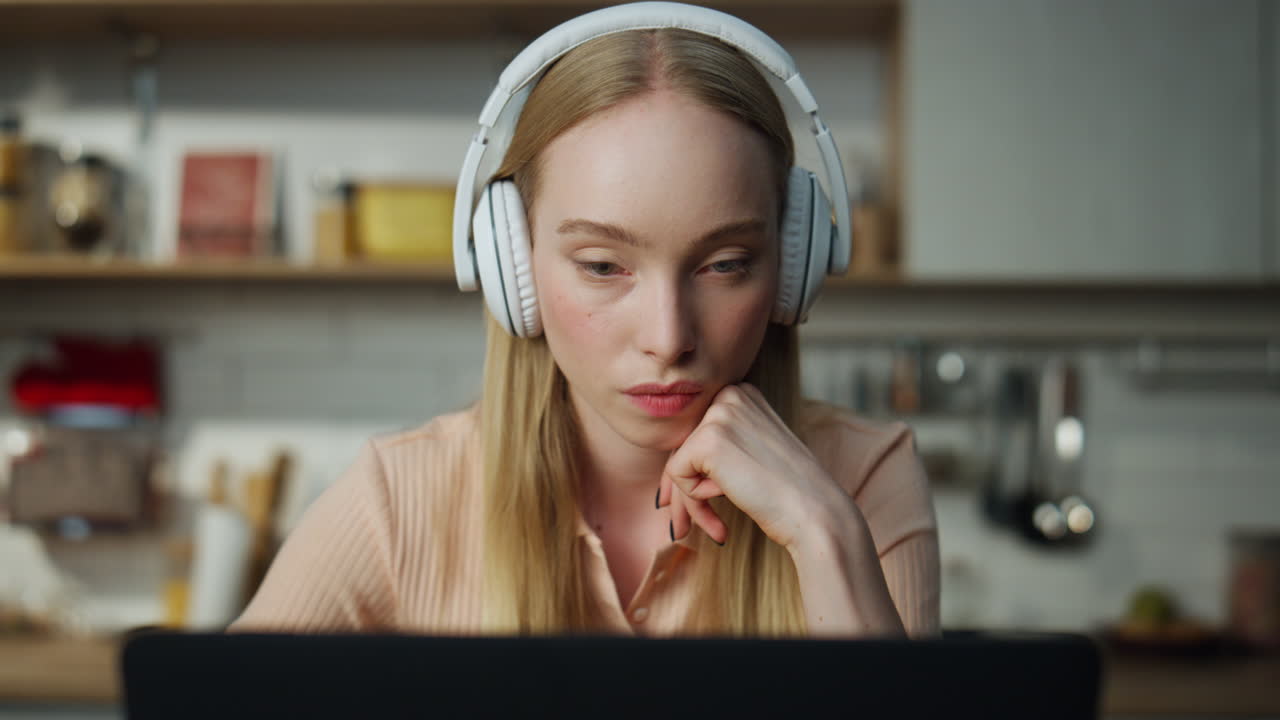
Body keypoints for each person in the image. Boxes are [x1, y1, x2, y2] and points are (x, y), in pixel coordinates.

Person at [231, 5, 938, 639]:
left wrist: (823, 533)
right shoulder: (399, 498)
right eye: (603, 266)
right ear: (516, 267)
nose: (667, 337)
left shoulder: (863, 479)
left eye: (724, 264)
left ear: (792, 265)